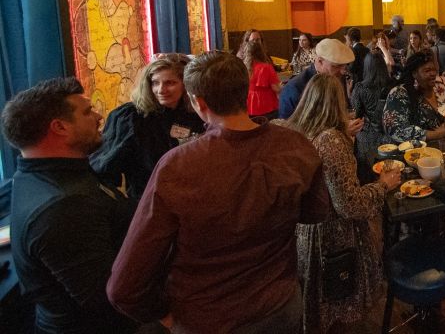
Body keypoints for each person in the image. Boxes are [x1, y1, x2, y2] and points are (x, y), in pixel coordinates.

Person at [107, 51, 330, 333]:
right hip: (280, 305)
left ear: (198, 102)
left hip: (208, 317)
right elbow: (315, 213)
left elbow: (124, 286)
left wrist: (165, 316)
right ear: (246, 90)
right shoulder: (294, 145)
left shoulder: (177, 167)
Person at [3, 78, 138, 333]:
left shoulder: (41, 172)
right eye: (87, 112)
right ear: (60, 127)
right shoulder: (64, 206)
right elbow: (107, 299)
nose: (99, 115)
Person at [274, 74, 400, 334]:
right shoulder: (330, 141)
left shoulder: (294, 129)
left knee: (315, 306)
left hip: (304, 231)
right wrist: (384, 184)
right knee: (335, 305)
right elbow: (349, 204)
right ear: (337, 103)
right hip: (332, 236)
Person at [91, 53, 205, 199]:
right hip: (147, 200)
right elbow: (103, 169)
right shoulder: (131, 117)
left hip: (191, 198)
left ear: (185, 84)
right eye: (155, 82)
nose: (161, 90)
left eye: (170, 83)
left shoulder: (196, 114)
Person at [279, 39, 359, 127]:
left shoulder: (337, 76)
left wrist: (344, 117)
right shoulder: (295, 87)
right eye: (336, 66)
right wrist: (341, 130)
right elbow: (288, 129)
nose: (343, 71)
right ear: (320, 61)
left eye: (345, 65)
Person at [382, 50, 445, 144]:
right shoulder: (400, 93)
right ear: (414, 73)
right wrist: (436, 134)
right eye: (427, 70)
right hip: (415, 154)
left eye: (434, 69)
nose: (433, 73)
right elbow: (394, 128)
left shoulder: (440, 88)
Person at [350, 39, 397, 171]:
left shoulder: (360, 87)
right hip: (389, 135)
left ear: (366, 66)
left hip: (367, 138)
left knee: (367, 171)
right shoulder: (393, 84)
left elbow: (357, 113)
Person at [245, 40, 281, 120]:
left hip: (250, 105)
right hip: (267, 104)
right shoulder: (266, 67)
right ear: (261, 52)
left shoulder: (244, 68)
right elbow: (276, 88)